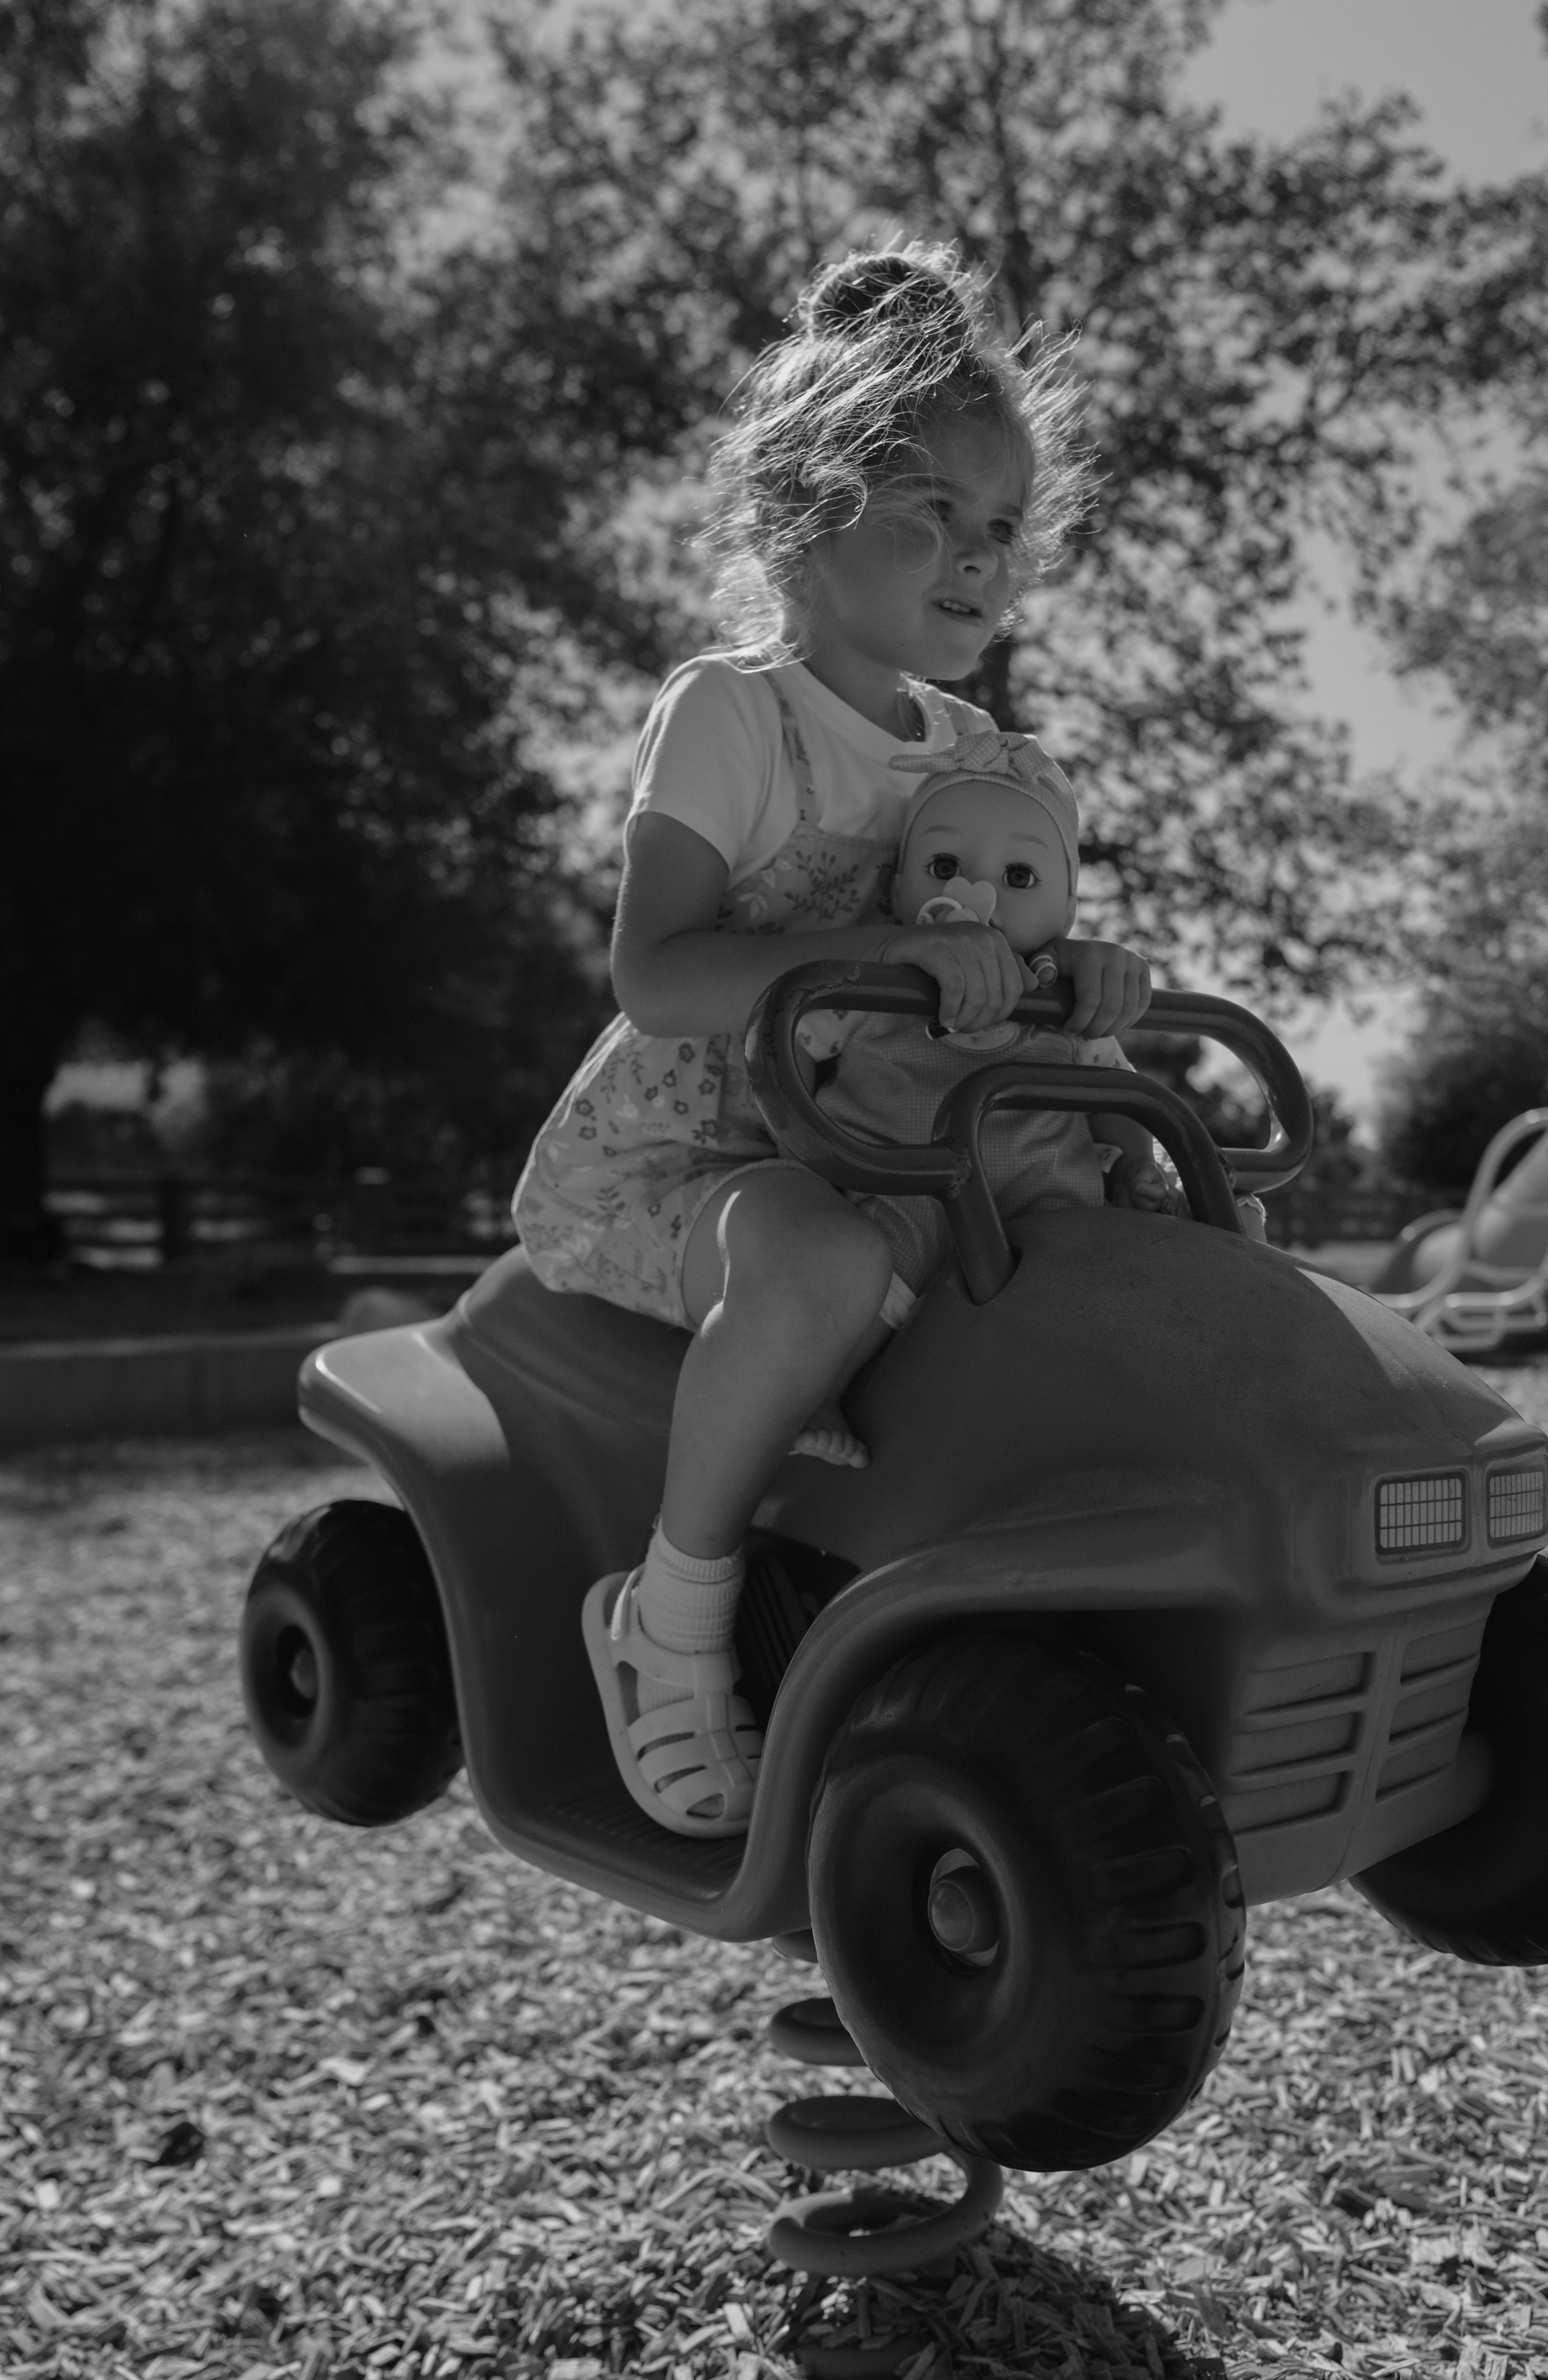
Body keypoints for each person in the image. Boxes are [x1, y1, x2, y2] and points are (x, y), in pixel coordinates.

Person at [513, 241, 1152, 1839]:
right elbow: (658, 972)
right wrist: (879, 950)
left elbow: (1011, 950)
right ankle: (668, 1618)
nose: (977, 558)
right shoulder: (736, 713)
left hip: (911, 1141)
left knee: (1137, 1222)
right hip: (717, 1147)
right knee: (803, 1265)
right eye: (930, 512)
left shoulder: (989, 754)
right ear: (806, 507)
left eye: (999, 526)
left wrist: (1086, 977)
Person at [800, 727, 1179, 1305]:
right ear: (897, 887)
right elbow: (792, 1048)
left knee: (1106, 1292)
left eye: (1020, 877)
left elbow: (1116, 1093)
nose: (978, 892)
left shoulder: (1067, 1003)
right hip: (895, 1213)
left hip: (1051, 1230)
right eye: (944, 864)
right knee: (850, 1302)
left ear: (1068, 910)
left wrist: (1131, 1165)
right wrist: (807, 1173)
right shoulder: (872, 988)